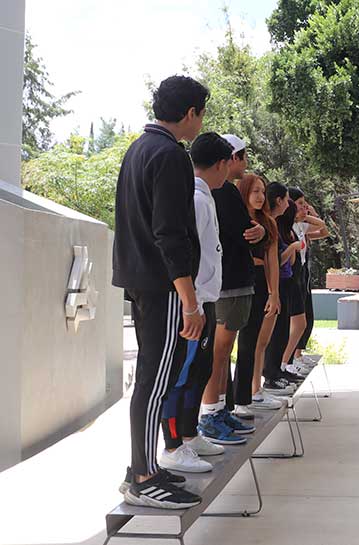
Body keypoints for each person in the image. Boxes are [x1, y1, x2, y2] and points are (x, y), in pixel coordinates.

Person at [113, 75, 208, 509]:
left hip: (141, 279)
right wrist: (189, 300)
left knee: (153, 378)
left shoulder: (139, 148)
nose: (201, 122)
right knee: (154, 381)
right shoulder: (170, 155)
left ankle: (143, 466)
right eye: (201, 113)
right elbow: (169, 233)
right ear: (190, 113)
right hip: (162, 284)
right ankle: (143, 476)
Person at [159, 133, 232, 473]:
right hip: (197, 301)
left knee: (199, 371)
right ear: (221, 164)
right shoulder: (197, 199)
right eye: (228, 164)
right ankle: (173, 445)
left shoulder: (205, 197)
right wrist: (194, 304)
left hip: (206, 298)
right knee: (182, 374)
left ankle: (190, 434)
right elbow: (188, 256)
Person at [197, 133, 261, 441]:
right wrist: (258, 232)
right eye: (242, 157)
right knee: (218, 352)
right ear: (227, 160)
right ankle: (210, 413)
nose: (245, 165)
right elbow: (242, 232)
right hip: (225, 284)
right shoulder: (210, 194)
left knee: (224, 353)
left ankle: (220, 408)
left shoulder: (218, 192)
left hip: (229, 282)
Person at [236, 173, 284, 411]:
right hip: (235, 282)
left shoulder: (269, 222)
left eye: (263, 192)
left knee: (255, 341)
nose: (260, 196)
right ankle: (235, 398)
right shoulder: (235, 217)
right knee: (237, 344)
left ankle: (252, 391)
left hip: (259, 283)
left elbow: (272, 261)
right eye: (255, 191)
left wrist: (274, 293)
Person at [263, 186, 307, 390]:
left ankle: (279, 368)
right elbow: (276, 260)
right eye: (289, 201)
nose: (293, 206)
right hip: (278, 284)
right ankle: (271, 373)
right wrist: (292, 248)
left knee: (281, 331)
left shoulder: (281, 228)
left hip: (288, 282)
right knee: (272, 334)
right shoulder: (272, 226)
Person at [290, 193, 330, 370]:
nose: (304, 206)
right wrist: (305, 214)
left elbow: (323, 230)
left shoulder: (301, 226)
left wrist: (310, 213)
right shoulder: (290, 227)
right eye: (300, 203)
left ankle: (297, 354)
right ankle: (290, 359)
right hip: (293, 273)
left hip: (303, 272)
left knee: (307, 316)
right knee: (296, 319)